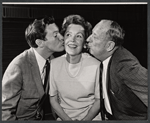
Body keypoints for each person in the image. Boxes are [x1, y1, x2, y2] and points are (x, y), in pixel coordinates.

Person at [2, 16, 64, 120]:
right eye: (55, 35)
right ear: (40, 42)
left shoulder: (52, 60)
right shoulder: (18, 66)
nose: (62, 37)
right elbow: (4, 111)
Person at [87, 19, 148, 120]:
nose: (88, 39)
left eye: (95, 36)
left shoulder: (123, 65)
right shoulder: (106, 59)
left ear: (109, 46)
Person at [49, 15, 101, 121]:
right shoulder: (54, 64)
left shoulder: (96, 65)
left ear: (85, 43)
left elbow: (98, 100)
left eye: (79, 36)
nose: (72, 40)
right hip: (64, 118)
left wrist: (85, 120)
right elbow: (53, 99)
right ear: (63, 38)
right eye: (68, 35)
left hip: (91, 118)